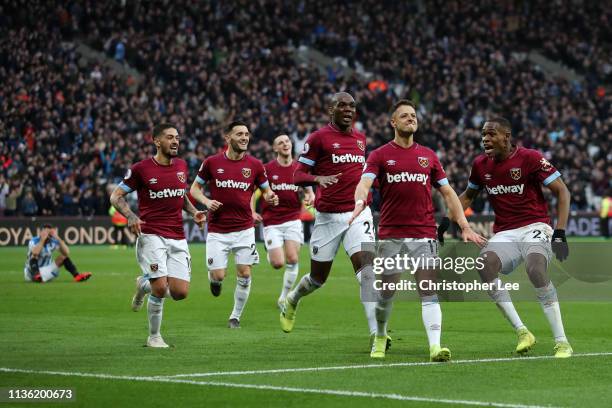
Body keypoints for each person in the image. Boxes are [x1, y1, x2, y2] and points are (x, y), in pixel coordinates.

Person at [351, 100, 486, 360]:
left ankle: (435, 346)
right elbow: (364, 183)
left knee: (428, 290)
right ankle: (380, 335)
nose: (410, 119)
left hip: (424, 233)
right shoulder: (379, 155)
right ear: (393, 123)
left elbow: (448, 193)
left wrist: (464, 226)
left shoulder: (428, 156)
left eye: (413, 115)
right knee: (386, 292)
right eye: (404, 116)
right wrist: (359, 202)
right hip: (392, 234)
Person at [451, 117, 573, 358]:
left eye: (491, 134)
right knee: (484, 266)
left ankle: (562, 341)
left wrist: (560, 232)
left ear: (506, 137)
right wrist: (448, 219)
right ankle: (522, 331)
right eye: (483, 134)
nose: (485, 139)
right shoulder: (480, 165)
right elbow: (466, 196)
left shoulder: (530, 158)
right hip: (505, 232)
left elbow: (562, 190)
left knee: (535, 270)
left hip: (535, 226)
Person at [279, 92, 382, 350]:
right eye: (342, 106)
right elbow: (297, 175)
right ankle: (292, 299)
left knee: (367, 276)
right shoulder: (318, 138)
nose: (348, 110)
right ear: (331, 110)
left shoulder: (360, 139)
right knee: (317, 279)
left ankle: (376, 335)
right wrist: (316, 180)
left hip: (358, 214)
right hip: (327, 218)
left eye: (352, 106)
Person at [110, 123, 206, 348]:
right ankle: (154, 337)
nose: (175, 142)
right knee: (161, 288)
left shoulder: (182, 166)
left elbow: (180, 194)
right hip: (151, 234)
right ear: (157, 141)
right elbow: (116, 196)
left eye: (178, 138)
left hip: (177, 235)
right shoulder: (141, 169)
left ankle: (143, 284)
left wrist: (194, 213)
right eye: (170, 137)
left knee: (180, 293)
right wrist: (131, 217)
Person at [190, 120, 278, 329]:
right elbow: (194, 189)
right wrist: (206, 202)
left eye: (247, 134)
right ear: (227, 137)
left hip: (244, 229)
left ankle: (235, 317)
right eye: (239, 134)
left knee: (245, 273)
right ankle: (215, 281)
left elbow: (267, 190)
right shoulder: (211, 162)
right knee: (219, 274)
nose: (244, 138)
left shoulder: (255, 165)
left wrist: (271, 196)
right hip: (218, 231)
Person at [252, 134, 315, 308]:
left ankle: (284, 298)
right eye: (280, 142)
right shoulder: (267, 169)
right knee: (278, 263)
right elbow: (253, 191)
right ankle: (269, 247)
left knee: (293, 259)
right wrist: (251, 211)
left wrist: (310, 197)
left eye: (287, 141)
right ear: (275, 149)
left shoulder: (299, 168)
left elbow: (310, 191)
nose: (285, 144)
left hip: (293, 219)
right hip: (272, 221)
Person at [24, 223, 92, 283]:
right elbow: (35, 253)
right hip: (31, 273)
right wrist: (42, 240)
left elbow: (67, 252)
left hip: (46, 271)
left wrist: (57, 238)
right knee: (34, 256)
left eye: (49, 232)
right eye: (46, 232)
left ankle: (77, 276)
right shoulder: (34, 241)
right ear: (41, 232)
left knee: (63, 257)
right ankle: (37, 275)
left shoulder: (52, 241)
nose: (47, 234)